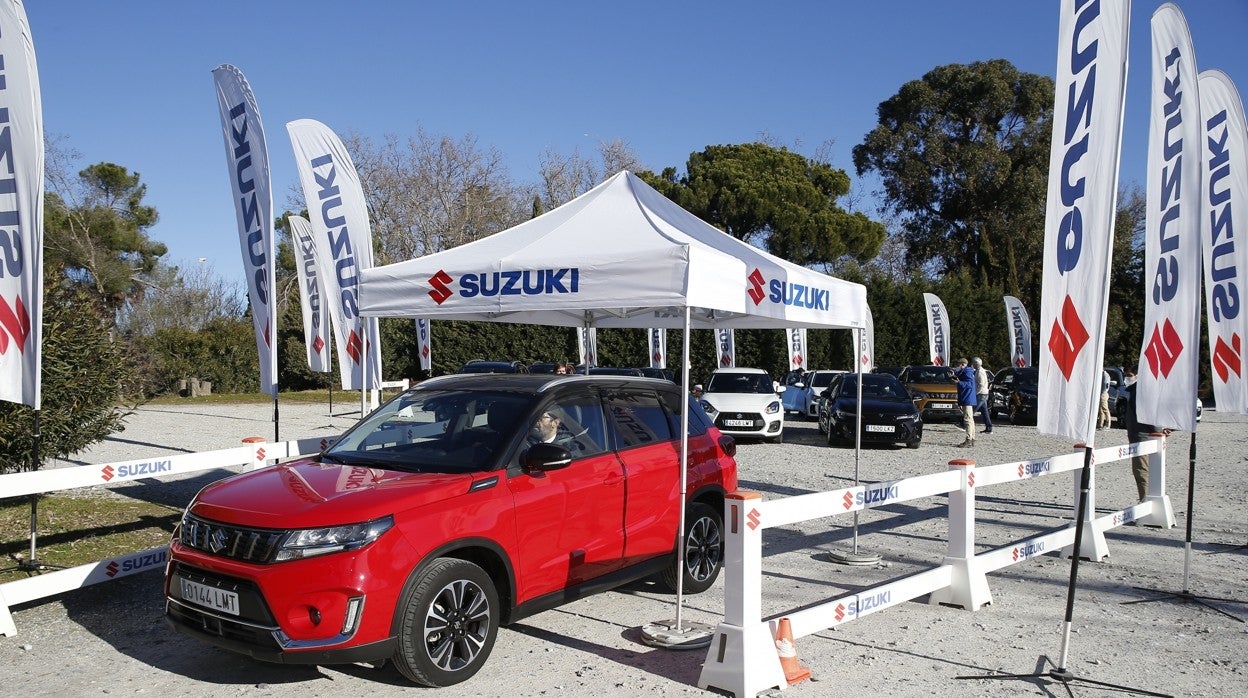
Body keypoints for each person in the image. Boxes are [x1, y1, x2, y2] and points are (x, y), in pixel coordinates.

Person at [954, 358, 976, 447]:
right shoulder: (965, 371)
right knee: (970, 419)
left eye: (958, 364)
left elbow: (970, 384)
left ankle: (969, 439)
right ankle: (972, 438)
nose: (957, 366)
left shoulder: (967, 372)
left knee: (967, 419)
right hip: (966, 397)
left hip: (967, 397)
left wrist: (959, 382)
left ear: (963, 364)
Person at [972, 357, 992, 434]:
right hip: (983, 393)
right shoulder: (978, 371)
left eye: (973, 363)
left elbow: (981, 384)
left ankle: (964, 424)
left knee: (973, 409)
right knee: (984, 411)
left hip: (981, 394)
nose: (972, 365)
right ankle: (989, 427)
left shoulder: (980, 372)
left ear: (976, 364)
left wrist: (976, 393)